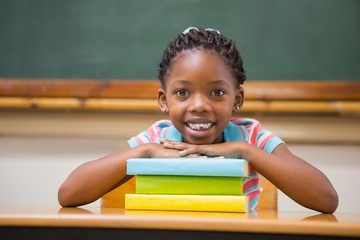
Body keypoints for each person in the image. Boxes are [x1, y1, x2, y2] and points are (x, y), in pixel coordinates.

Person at [58, 27, 338, 213]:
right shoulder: (157, 137)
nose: (200, 105)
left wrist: (245, 151)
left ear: (237, 100)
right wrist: (144, 152)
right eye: (182, 93)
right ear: (163, 101)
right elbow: (69, 194)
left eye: (217, 92)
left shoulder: (251, 135)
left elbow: (326, 199)